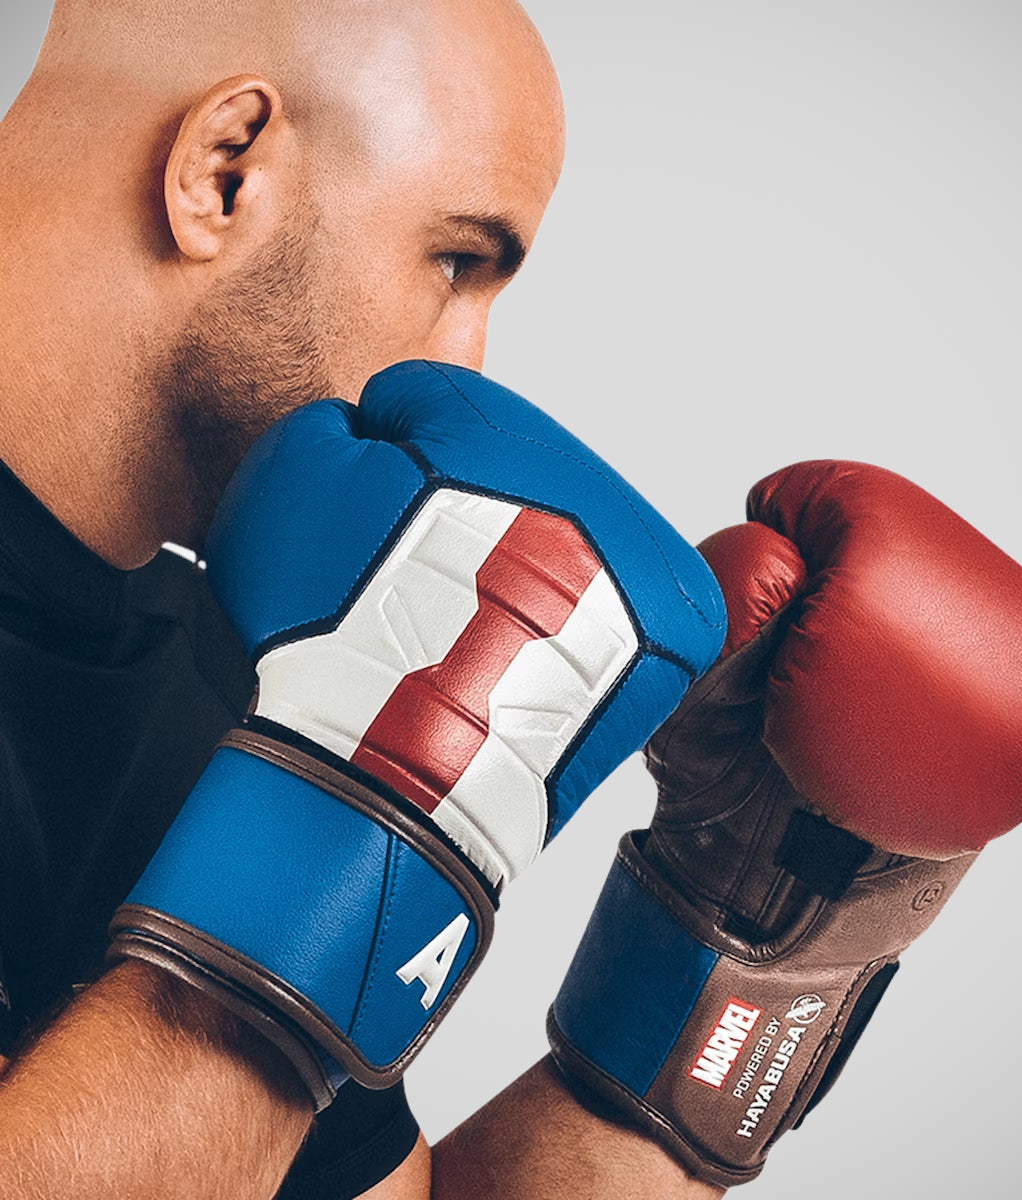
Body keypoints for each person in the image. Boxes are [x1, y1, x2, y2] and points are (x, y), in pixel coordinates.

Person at [0, 1, 728, 1196]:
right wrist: (372, 838)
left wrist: (747, 926)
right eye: (458, 260)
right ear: (225, 172)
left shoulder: (237, 686)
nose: (466, 365)